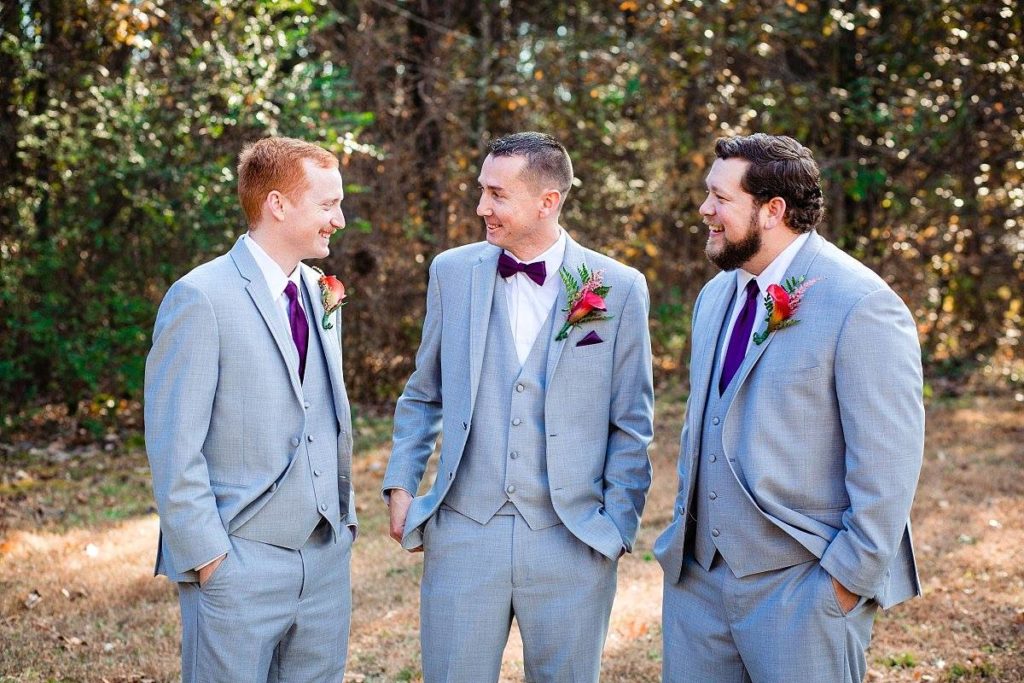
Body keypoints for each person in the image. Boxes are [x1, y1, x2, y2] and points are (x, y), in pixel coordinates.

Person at [383, 131, 654, 683]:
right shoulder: (452, 273)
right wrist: (400, 486)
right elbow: (423, 392)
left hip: (571, 539)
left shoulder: (618, 288)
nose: (482, 206)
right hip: (463, 530)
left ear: (547, 202)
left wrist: (615, 527)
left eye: (497, 194)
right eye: (482, 190)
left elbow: (632, 422)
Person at [654, 133, 925, 682]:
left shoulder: (862, 305)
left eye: (721, 198)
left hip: (803, 592)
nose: (705, 209)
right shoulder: (717, 296)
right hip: (697, 588)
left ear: (772, 210)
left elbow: (888, 464)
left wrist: (845, 583)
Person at [145, 136, 357, 682]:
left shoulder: (319, 290)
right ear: (278, 205)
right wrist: (210, 558)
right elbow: (173, 444)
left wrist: (343, 525)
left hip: (325, 561)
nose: (339, 218)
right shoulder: (201, 296)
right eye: (327, 204)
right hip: (238, 562)